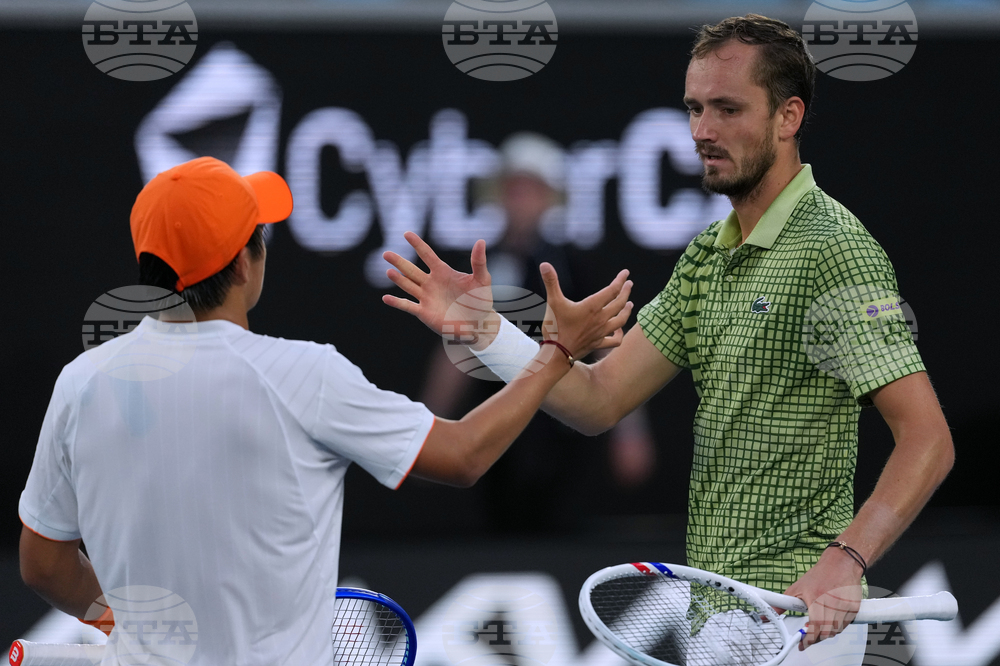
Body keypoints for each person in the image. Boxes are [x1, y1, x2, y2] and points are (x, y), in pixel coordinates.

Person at [382, 14, 954, 661]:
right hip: (718, 617)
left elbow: (928, 439)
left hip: (799, 620)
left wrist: (846, 560)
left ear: (788, 116)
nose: (702, 132)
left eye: (727, 109)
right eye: (694, 108)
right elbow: (598, 400)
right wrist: (488, 334)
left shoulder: (836, 250)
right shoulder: (706, 256)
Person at [17, 156, 632, 665]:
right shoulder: (305, 374)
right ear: (243, 263)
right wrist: (555, 353)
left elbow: (43, 564)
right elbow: (465, 455)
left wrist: (122, 624)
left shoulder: (82, 382)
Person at [419, 132, 657, 533]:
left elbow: (609, 347)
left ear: (550, 198)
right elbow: (455, 347)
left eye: (532, 191)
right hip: (495, 426)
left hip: (562, 430)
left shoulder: (574, 266)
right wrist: (426, 425)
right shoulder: (481, 265)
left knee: (561, 532)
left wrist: (630, 433)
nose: (521, 201)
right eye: (513, 190)